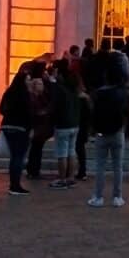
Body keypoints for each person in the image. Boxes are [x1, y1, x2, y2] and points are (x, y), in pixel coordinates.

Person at [88, 65, 129, 208]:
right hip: (117, 131)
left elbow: (93, 112)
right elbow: (126, 109)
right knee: (117, 166)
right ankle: (117, 196)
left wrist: (93, 128)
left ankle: (98, 197)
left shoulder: (98, 94)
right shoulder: (121, 93)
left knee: (100, 166)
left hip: (101, 132)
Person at [48, 59, 81, 189]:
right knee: (72, 152)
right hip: (74, 122)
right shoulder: (74, 87)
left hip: (62, 124)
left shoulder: (59, 88)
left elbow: (54, 105)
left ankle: (62, 179)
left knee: (62, 153)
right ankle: (71, 178)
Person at [0, 72, 32, 195]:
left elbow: (1, 109)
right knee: (18, 157)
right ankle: (15, 185)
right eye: (28, 80)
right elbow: (29, 113)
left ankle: (14, 184)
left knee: (14, 157)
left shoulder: (9, 92)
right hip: (21, 128)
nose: (29, 82)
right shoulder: (25, 94)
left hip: (7, 126)